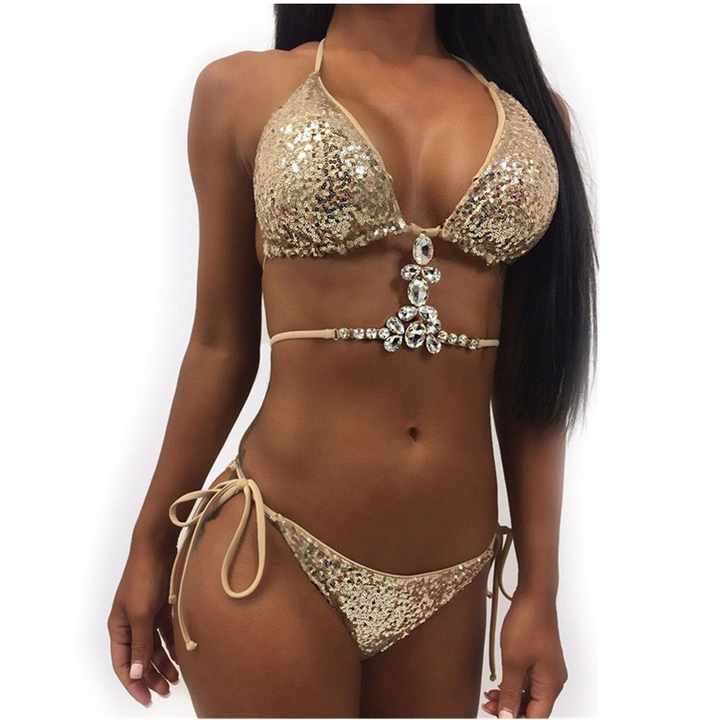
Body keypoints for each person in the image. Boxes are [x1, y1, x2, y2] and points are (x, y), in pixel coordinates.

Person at [108, 4, 596, 717]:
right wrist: (150, 543)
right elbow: (219, 344)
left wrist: (539, 591)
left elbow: (538, 375)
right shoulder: (241, 92)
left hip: (451, 580)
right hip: (273, 549)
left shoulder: (533, 118)